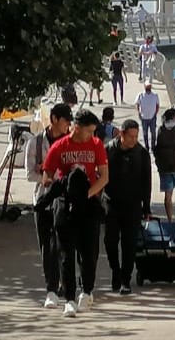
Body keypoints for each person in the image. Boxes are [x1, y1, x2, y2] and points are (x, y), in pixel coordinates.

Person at [41, 109, 110, 318]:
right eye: (89, 131)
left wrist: (87, 194)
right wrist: (61, 186)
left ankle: (86, 290)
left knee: (89, 252)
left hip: (88, 204)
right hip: (64, 204)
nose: (92, 135)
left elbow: (104, 177)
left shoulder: (96, 145)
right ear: (77, 128)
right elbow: (46, 177)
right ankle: (69, 298)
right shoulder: (60, 147)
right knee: (65, 252)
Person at [25, 102, 73, 309]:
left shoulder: (71, 145)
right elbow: (30, 174)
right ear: (54, 119)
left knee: (64, 246)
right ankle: (51, 289)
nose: (68, 125)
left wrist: (47, 172)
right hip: (43, 200)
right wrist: (50, 176)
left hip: (64, 201)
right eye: (65, 121)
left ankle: (66, 284)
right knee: (47, 247)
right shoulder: (35, 144)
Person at [104, 119, 152, 295]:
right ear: (121, 134)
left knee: (129, 244)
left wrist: (146, 208)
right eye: (130, 136)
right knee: (110, 241)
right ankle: (115, 271)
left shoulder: (141, 153)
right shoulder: (108, 150)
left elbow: (147, 182)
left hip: (133, 205)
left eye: (136, 136)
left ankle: (125, 279)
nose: (134, 140)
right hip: (111, 203)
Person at [135, 83, 161, 150]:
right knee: (145, 133)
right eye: (147, 87)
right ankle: (147, 147)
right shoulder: (140, 95)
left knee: (153, 133)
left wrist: (155, 113)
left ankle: (153, 146)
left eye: (149, 87)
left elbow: (157, 105)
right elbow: (137, 104)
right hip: (144, 118)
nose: (148, 88)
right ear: (144, 87)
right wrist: (139, 113)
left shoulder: (155, 96)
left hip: (152, 117)